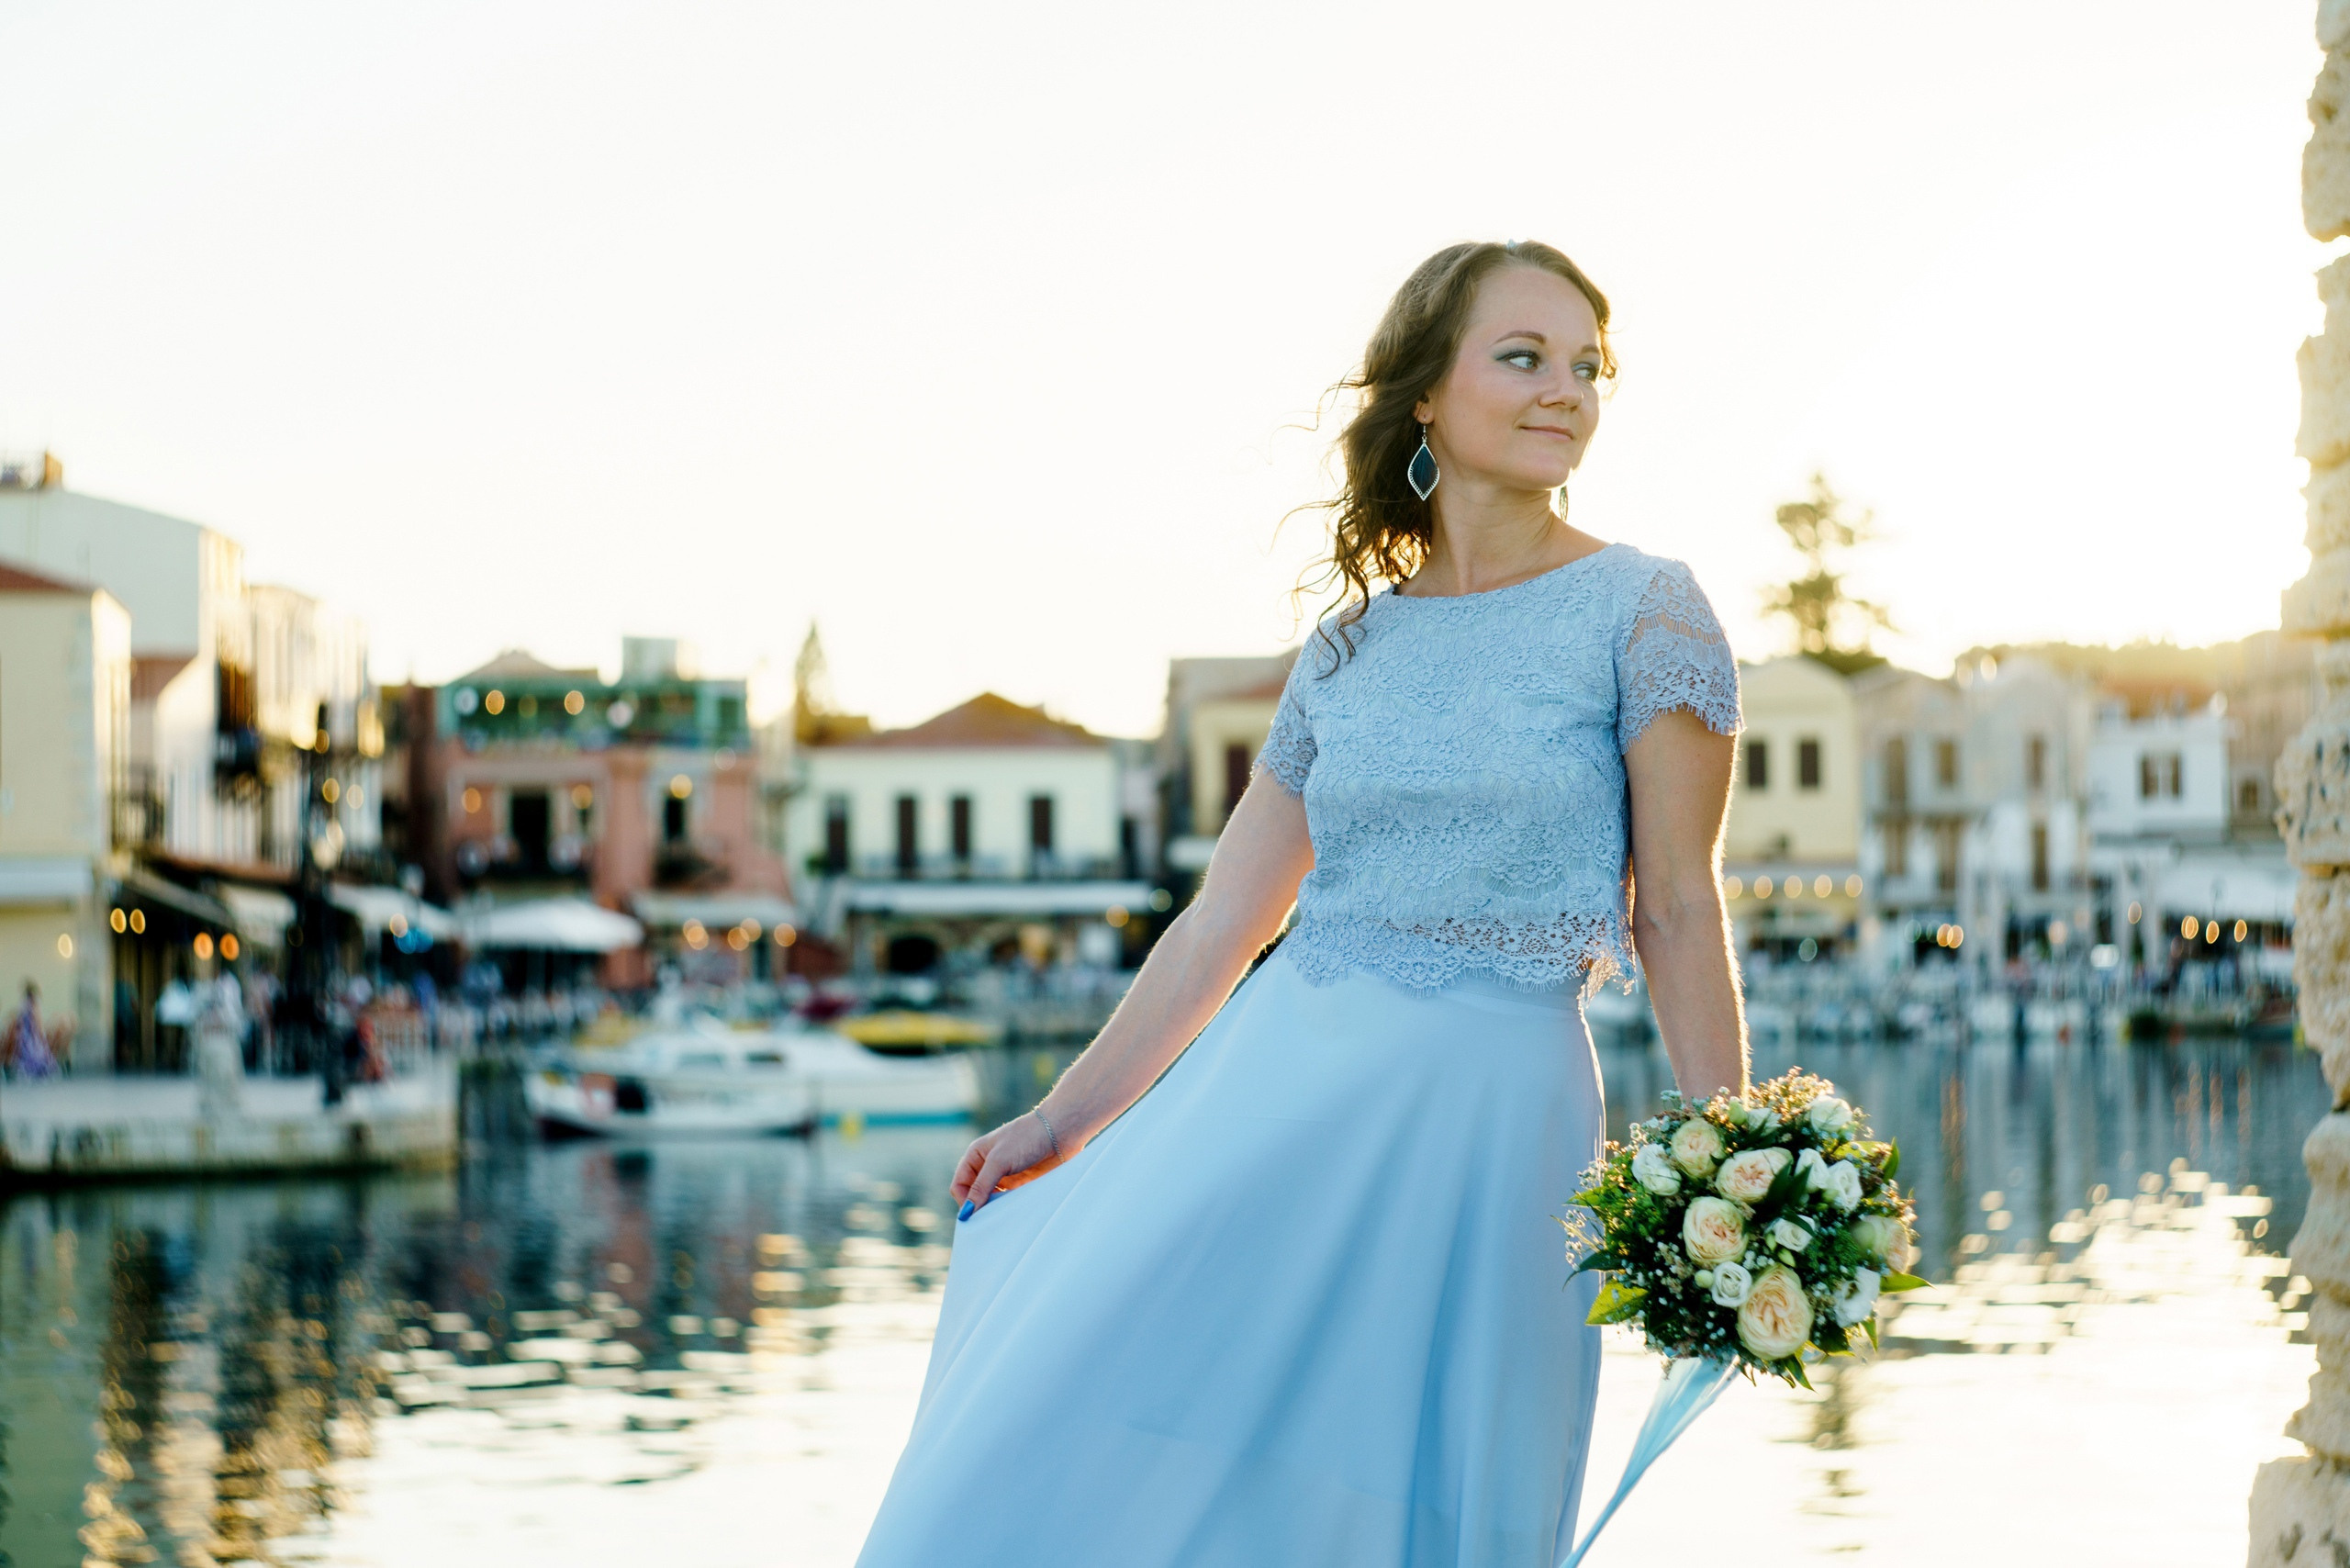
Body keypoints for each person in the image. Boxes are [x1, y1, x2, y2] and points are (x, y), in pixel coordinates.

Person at [856, 241, 1748, 1567]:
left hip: (1492, 1117)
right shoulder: (1347, 647)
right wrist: (1062, 1118)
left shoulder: (1647, 611)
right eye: (1522, 357)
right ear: (1426, 394)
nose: (1564, 390)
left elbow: (1677, 906)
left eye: (1586, 367)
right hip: (1278, 1089)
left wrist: (1742, 1163)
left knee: (1436, 1481)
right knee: (1093, 1376)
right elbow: (1226, 918)